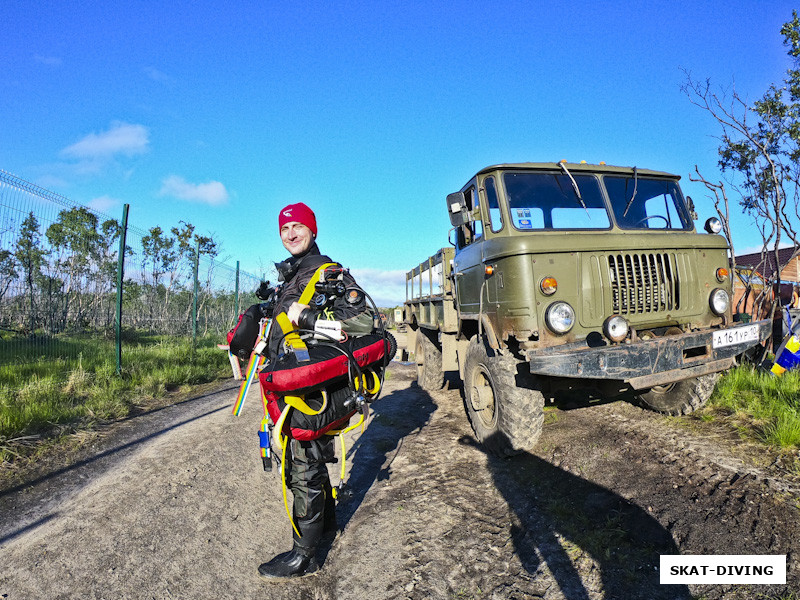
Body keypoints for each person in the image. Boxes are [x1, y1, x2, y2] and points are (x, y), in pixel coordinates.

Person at [257, 202, 373, 579]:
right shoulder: (291, 277)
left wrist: (309, 319)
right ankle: (326, 526)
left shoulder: (329, 273)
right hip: (291, 382)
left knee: (303, 461)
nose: (291, 234)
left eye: (298, 227)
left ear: (312, 229)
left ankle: (304, 556)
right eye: (284, 228)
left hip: (315, 387)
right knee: (302, 455)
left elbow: (365, 321)